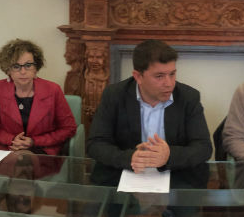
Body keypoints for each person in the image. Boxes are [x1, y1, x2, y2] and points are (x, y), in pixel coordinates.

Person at [87, 39, 212, 178]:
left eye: (172, 74)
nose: (169, 83)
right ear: (138, 77)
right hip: (126, 174)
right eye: (159, 76)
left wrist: (169, 156)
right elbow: (95, 144)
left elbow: (203, 148)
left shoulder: (188, 97)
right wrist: (129, 158)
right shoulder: (114, 95)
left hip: (175, 175)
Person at [0, 39, 76, 154]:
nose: (23, 71)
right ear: (8, 69)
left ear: (36, 68)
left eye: (28, 65)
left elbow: (68, 128)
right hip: (7, 149)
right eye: (16, 66)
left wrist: (34, 141)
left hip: (42, 151)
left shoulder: (53, 90)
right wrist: (11, 139)